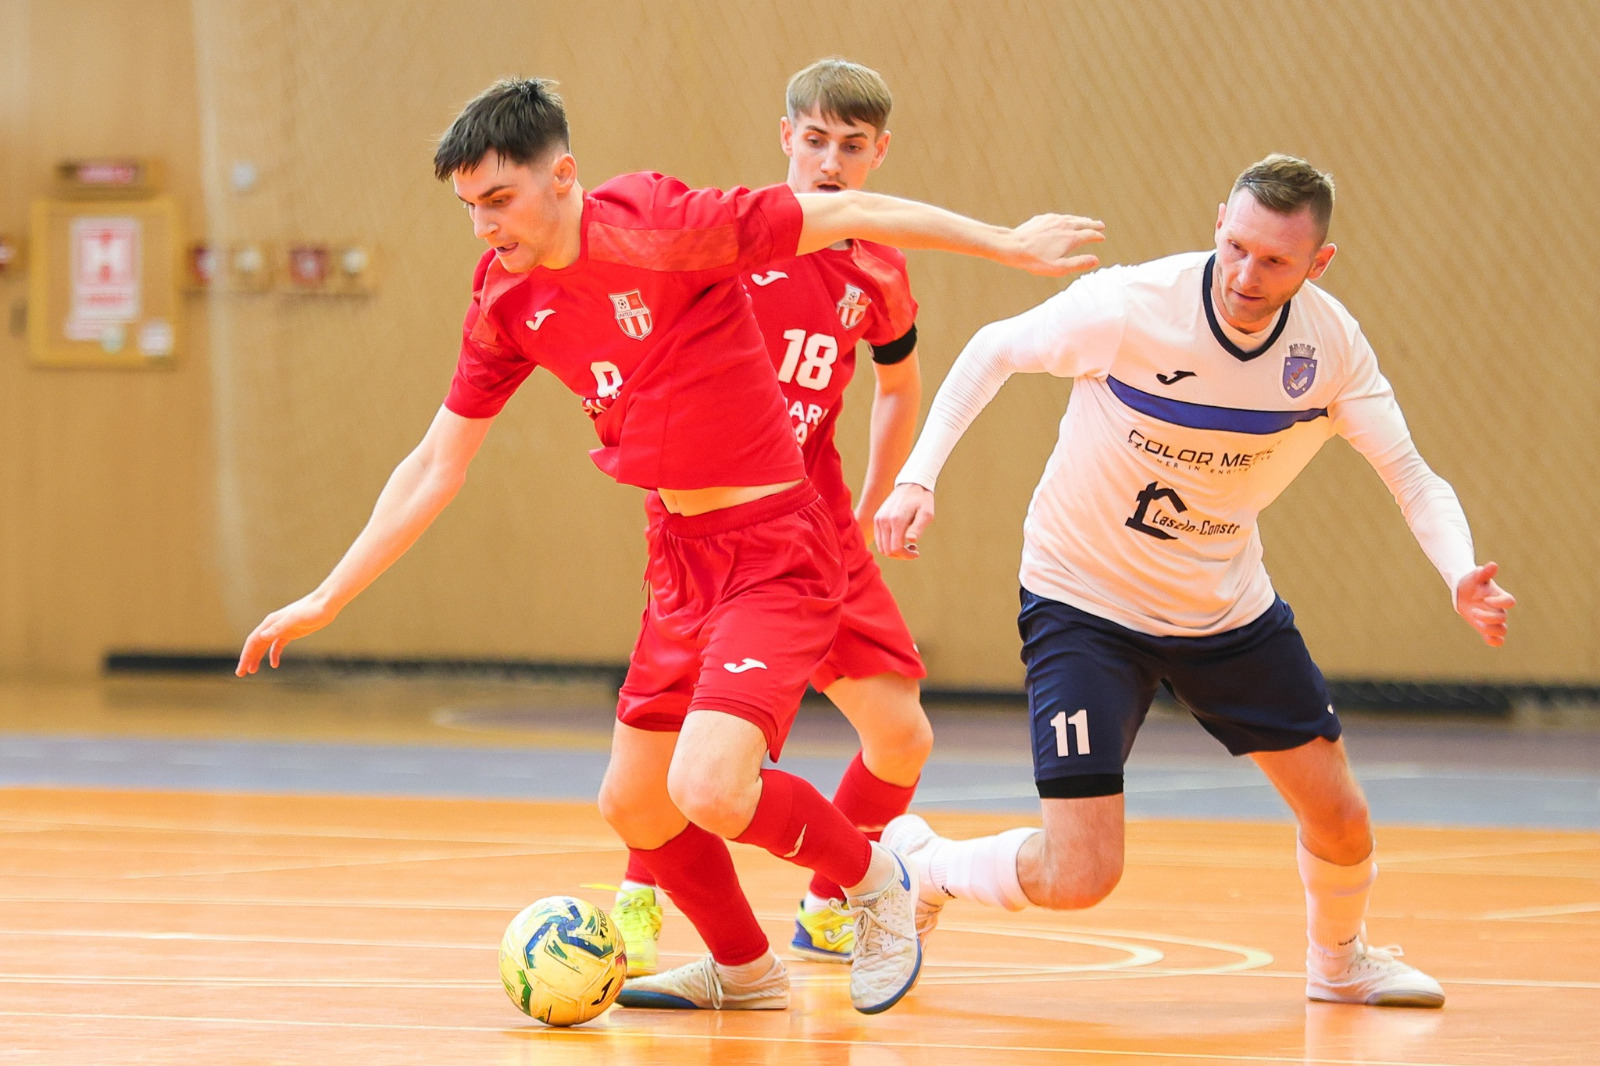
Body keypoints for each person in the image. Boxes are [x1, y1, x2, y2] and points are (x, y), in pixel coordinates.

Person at [233, 77, 1105, 1015]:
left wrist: (1004, 242)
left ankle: (876, 882)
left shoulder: (663, 223)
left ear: (562, 175)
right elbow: (436, 462)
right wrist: (328, 595)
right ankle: (746, 970)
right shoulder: (506, 297)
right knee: (635, 803)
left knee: (716, 785)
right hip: (679, 555)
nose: (483, 226)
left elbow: (848, 211)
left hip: (775, 546)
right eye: (469, 207)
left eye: (499, 200)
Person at [875, 154, 1515, 1009]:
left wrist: (1459, 571)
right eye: (1237, 246)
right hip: (1084, 600)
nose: (1246, 275)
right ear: (1219, 221)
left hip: (1223, 608)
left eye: (1275, 261)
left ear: (1319, 263)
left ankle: (1339, 963)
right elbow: (993, 349)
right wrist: (918, 477)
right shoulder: (1133, 306)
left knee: (1342, 818)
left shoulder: (1329, 349)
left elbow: (1412, 476)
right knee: (1080, 874)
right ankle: (923, 866)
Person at [609, 57, 936, 984]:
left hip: (814, 529)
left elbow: (898, 385)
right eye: (816, 139)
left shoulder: (877, 268)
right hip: (714, 530)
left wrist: (873, 499)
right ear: (786, 136)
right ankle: (641, 890)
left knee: (902, 735)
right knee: (675, 747)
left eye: (852, 146)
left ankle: (831, 906)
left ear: (879, 153)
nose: (832, 161)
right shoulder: (727, 241)